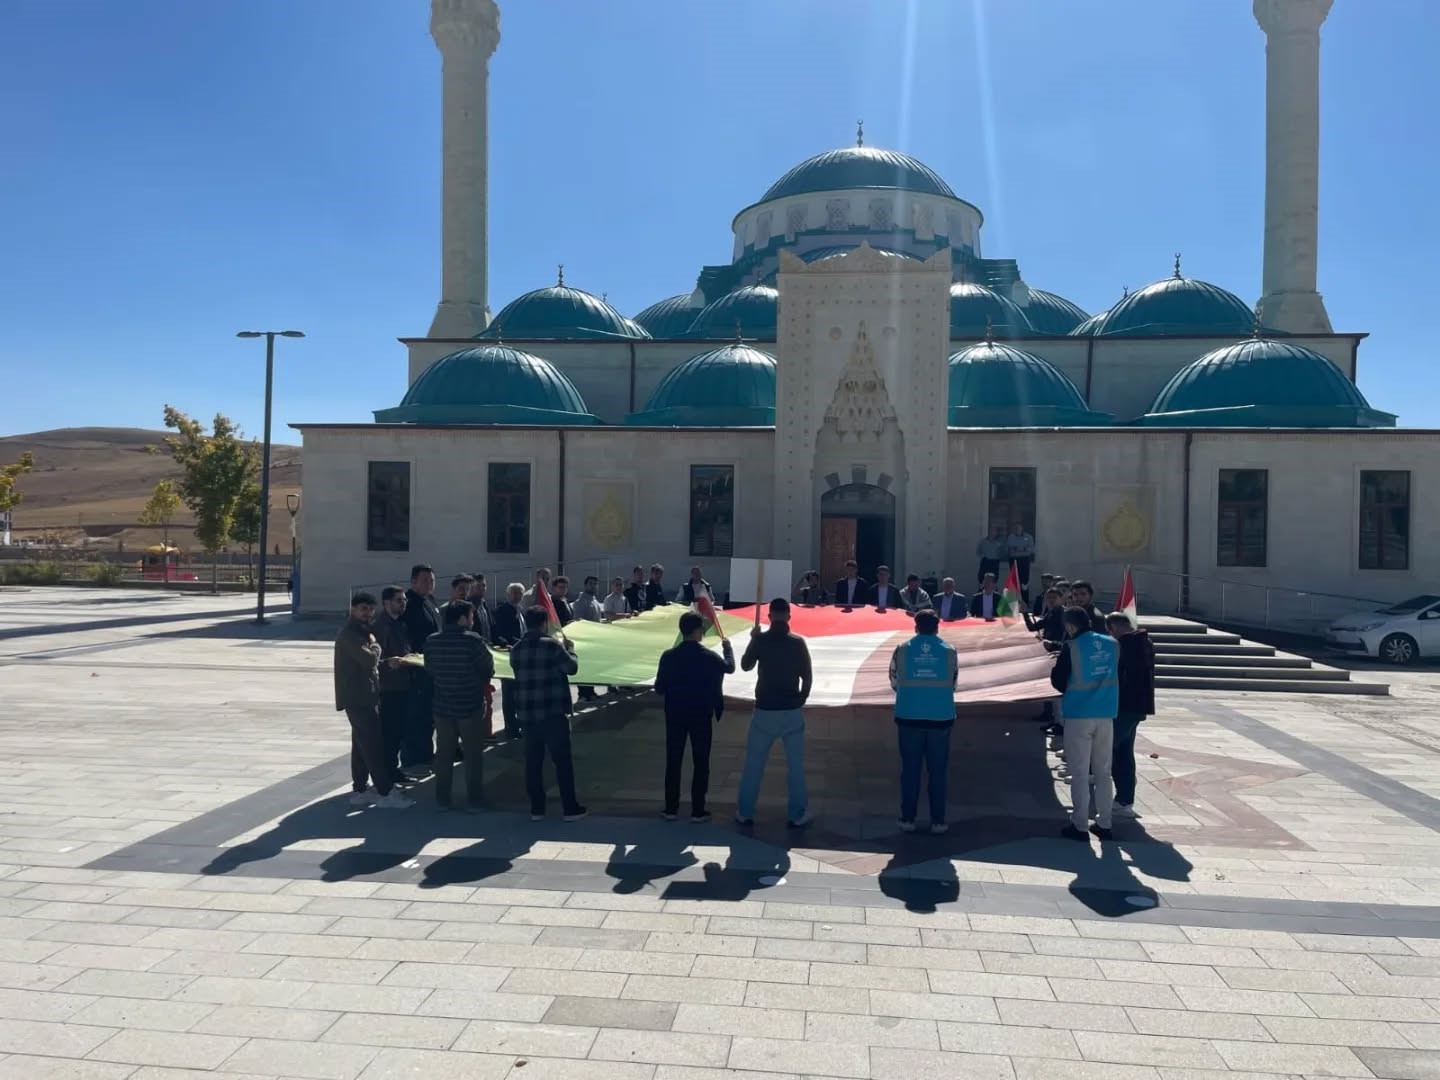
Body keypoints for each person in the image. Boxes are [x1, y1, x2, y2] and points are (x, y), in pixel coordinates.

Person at [736, 598, 813, 828]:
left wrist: (753, 640)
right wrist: (801, 699)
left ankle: (745, 811)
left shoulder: (761, 640)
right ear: (789, 616)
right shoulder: (798, 643)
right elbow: (807, 676)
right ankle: (797, 814)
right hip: (790, 710)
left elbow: (745, 665)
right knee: (796, 767)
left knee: (754, 765)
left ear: (769, 616)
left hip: (765, 709)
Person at [654, 611, 735, 823]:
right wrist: (728, 650)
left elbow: (659, 688)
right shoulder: (709, 656)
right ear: (698, 631)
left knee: (673, 760)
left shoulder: (669, 656)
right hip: (701, 714)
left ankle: (671, 808)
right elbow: (730, 668)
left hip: (675, 714)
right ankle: (698, 809)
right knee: (701, 761)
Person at [334, 593, 412, 809]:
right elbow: (369, 660)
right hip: (357, 698)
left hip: (366, 695)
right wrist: (376, 647)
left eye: (370, 609)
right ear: (353, 609)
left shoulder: (362, 632)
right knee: (372, 745)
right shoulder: (350, 634)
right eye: (362, 608)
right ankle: (385, 792)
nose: (367, 613)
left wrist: (381, 656)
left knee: (360, 745)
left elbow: (369, 663)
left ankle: (360, 789)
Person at [510, 607, 586, 821]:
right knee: (562, 762)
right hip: (552, 712)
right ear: (544, 623)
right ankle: (570, 808)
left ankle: (537, 809)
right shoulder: (552, 646)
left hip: (528, 714)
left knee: (533, 763)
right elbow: (571, 668)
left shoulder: (516, 649)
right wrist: (571, 651)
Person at [1051, 607, 1120, 841]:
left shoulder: (1071, 648)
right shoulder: (1112, 644)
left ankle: (1080, 824)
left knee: (1080, 772)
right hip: (1107, 713)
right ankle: (1105, 823)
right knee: (1104, 772)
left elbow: (1058, 681)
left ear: (1070, 626)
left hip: (1079, 714)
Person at [888, 608, 959, 833]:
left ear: (915, 626)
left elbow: (893, 680)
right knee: (938, 771)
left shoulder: (901, 650)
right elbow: (954, 682)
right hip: (941, 717)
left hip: (909, 715)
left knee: (910, 770)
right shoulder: (950, 651)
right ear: (938, 627)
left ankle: (907, 818)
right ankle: (938, 820)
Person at [422, 601, 494, 811]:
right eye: (471, 617)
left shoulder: (432, 641)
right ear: (463, 618)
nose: (472, 621)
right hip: (469, 705)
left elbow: (430, 669)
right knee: (473, 755)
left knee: (444, 754)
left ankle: (442, 799)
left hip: (442, 706)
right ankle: (475, 800)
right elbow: (487, 669)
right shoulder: (472, 641)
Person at [1108, 611, 1155, 819]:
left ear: (1114, 628)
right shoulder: (1143, 641)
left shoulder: (1127, 644)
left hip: (1126, 705)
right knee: (1123, 751)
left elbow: (1123, 676)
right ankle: (1125, 797)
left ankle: (1125, 794)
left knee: (1111, 748)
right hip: (1135, 706)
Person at [400, 564, 442, 777]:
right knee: (414, 717)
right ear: (413, 581)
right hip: (416, 670)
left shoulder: (431, 602)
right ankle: (411, 760)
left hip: (432, 670)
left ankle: (426, 755)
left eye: (432, 580)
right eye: (425, 580)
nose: (429, 584)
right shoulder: (408, 604)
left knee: (428, 716)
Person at [373, 586, 413, 785]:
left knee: (398, 732)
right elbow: (373, 659)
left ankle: (393, 770)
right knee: (389, 734)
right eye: (399, 600)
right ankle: (386, 773)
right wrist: (389, 663)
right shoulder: (381, 626)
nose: (403, 603)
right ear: (386, 603)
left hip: (402, 684)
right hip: (388, 689)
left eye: (404, 600)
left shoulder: (400, 623)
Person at [491, 582, 526, 739]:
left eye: (520, 593)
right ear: (508, 594)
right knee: (510, 695)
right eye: (514, 593)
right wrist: (508, 643)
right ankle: (511, 728)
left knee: (520, 694)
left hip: (522, 655)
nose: (517, 596)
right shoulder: (502, 611)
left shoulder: (520, 610)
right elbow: (498, 633)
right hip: (509, 656)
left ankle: (519, 724)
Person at [571, 576, 602, 701]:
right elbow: (578, 621)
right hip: (584, 639)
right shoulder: (580, 601)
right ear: (585, 585)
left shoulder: (595, 601)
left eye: (595, 584)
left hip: (594, 639)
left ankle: (591, 690)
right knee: (583, 666)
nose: (593, 586)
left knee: (591, 666)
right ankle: (582, 693)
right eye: (591, 584)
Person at [1007, 522, 1036, 601]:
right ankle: (1013, 604)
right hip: (1014, 561)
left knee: (1024, 584)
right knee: (1014, 583)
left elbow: (1031, 550)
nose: (1017, 529)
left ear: (1022, 528)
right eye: (1015, 528)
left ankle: (1025, 603)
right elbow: (1010, 551)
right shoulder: (1011, 537)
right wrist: (1023, 549)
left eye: (1018, 528)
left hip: (1025, 561)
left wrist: (1017, 549)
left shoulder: (1028, 537)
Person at [466, 574, 492, 643]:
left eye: (484, 585)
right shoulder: (465, 607)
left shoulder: (485, 606)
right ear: (471, 587)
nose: (482, 588)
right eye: (478, 585)